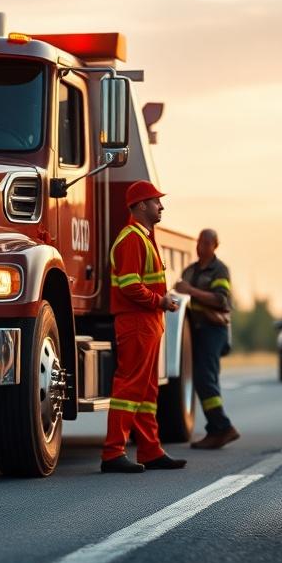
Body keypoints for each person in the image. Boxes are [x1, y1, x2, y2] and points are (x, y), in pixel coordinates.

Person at [101, 180, 187, 473]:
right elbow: (129, 285)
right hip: (137, 322)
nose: (160, 205)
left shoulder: (144, 236)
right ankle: (113, 452)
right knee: (129, 387)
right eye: (155, 201)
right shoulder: (131, 239)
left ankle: (150, 450)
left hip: (148, 322)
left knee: (147, 390)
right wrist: (159, 301)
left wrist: (158, 305)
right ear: (140, 206)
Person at [175, 229, 240, 449]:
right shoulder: (190, 270)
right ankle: (216, 429)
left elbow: (221, 300)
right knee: (202, 379)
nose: (200, 246)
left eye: (205, 242)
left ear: (215, 245)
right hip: (196, 330)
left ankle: (222, 427)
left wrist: (191, 290)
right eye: (199, 241)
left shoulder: (219, 270)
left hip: (214, 330)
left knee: (205, 378)